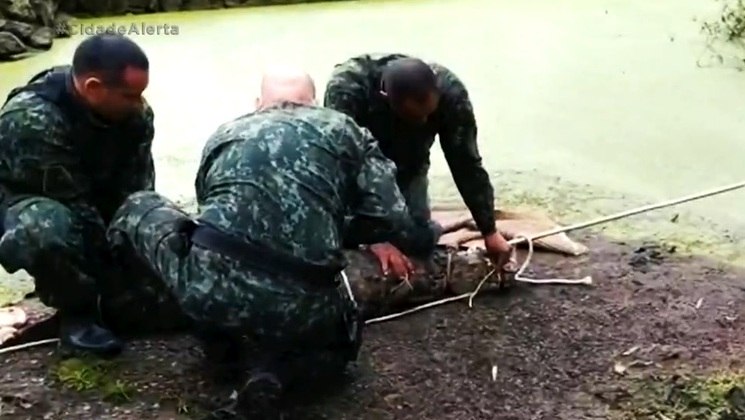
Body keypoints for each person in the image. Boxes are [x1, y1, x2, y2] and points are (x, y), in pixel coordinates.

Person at [105, 65, 433, 418]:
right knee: (338, 349)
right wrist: (336, 228)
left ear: (258, 103)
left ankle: (126, 301)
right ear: (314, 102)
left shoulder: (225, 132)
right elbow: (392, 217)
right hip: (304, 306)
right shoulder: (346, 129)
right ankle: (276, 374)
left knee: (140, 203)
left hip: (211, 291)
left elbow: (208, 215)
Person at [0, 33, 156, 357]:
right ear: (94, 89)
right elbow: (75, 207)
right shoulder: (31, 119)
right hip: (28, 203)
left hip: (92, 196)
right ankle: (78, 316)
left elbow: (138, 188)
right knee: (46, 229)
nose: (139, 104)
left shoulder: (135, 116)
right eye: (129, 95)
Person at [324, 53, 514, 279]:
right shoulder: (349, 88)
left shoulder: (451, 93)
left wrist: (489, 231)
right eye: (414, 118)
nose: (423, 122)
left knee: (417, 242)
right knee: (340, 237)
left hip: (410, 163)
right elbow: (341, 161)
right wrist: (373, 236)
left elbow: (466, 162)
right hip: (362, 167)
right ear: (386, 97)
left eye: (429, 115)